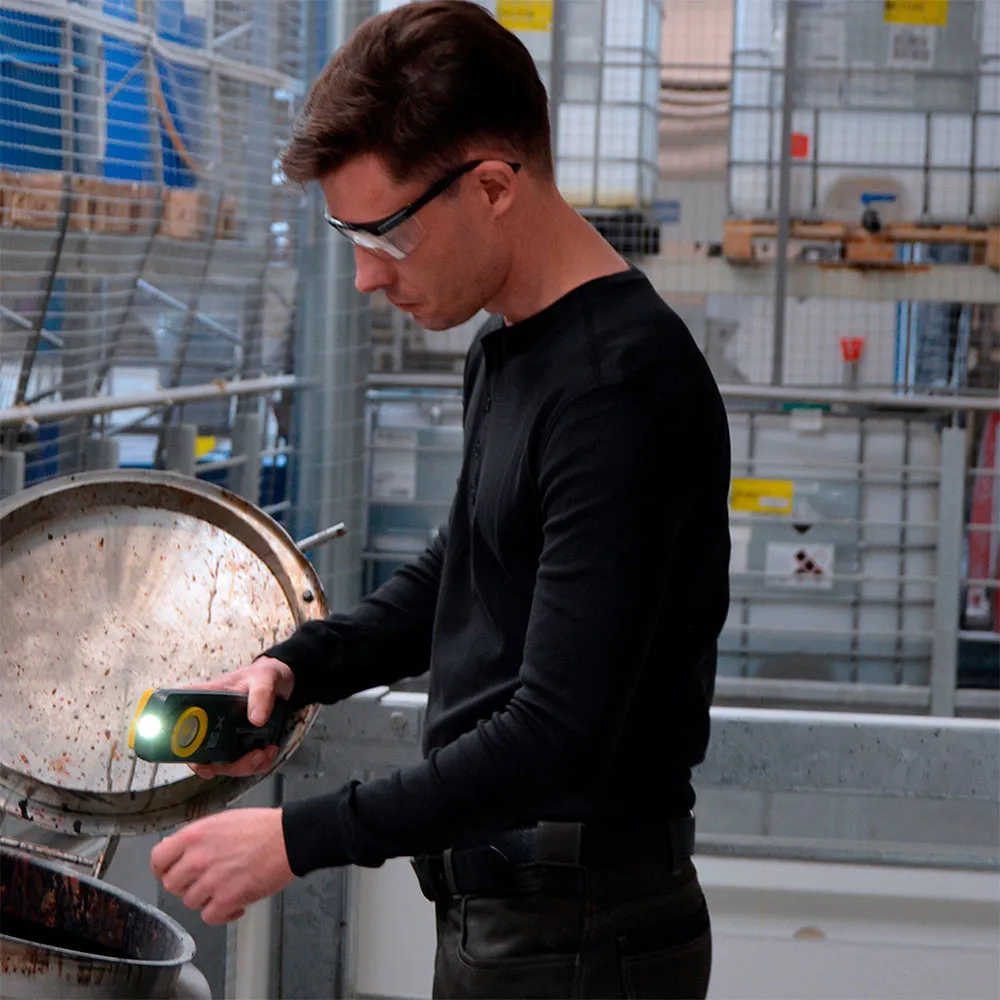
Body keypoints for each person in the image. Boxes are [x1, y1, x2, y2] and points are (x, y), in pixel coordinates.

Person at [150, 2, 731, 996]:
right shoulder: (510, 344)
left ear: (493, 185)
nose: (366, 277)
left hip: (580, 939)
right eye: (347, 234)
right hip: (511, 916)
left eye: (386, 233)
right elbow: (464, 570)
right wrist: (300, 666)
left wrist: (299, 838)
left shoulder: (619, 389)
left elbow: (556, 735)